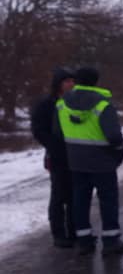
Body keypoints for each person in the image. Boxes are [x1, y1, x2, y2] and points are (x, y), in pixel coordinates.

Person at [54, 66, 123, 256]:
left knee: (80, 200)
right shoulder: (103, 104)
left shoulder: (61, 104)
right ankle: (111, 241)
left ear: (77, 81)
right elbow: (113, 135)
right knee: (108, 201)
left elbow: (57, 133)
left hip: (76, 161)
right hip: (102, 161)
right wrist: (120, 149)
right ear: (96, 81)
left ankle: (84, 241)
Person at [29, 67, 77, 247]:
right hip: (57, 155)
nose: (71, 84)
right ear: (58, 84)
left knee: (75, 194)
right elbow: (39, 130)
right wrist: (55, 147)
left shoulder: (75, 101)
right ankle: (58, 233)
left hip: (76, 154)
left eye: (73, 81)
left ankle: (75, 230)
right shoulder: (47, 104)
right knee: (59, 195)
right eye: (67, 81)